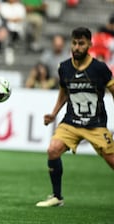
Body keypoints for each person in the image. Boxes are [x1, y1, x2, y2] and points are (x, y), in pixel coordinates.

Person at [36, 27, 114, 207]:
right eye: (74, 43)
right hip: (71, 122)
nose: (77, 47)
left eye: (81, 43)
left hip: (96, 124)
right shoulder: (64, 68)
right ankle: (57, 197)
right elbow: (64, 91)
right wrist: (54, 113)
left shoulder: (99, 68)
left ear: (89, 45)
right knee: (53, 150)